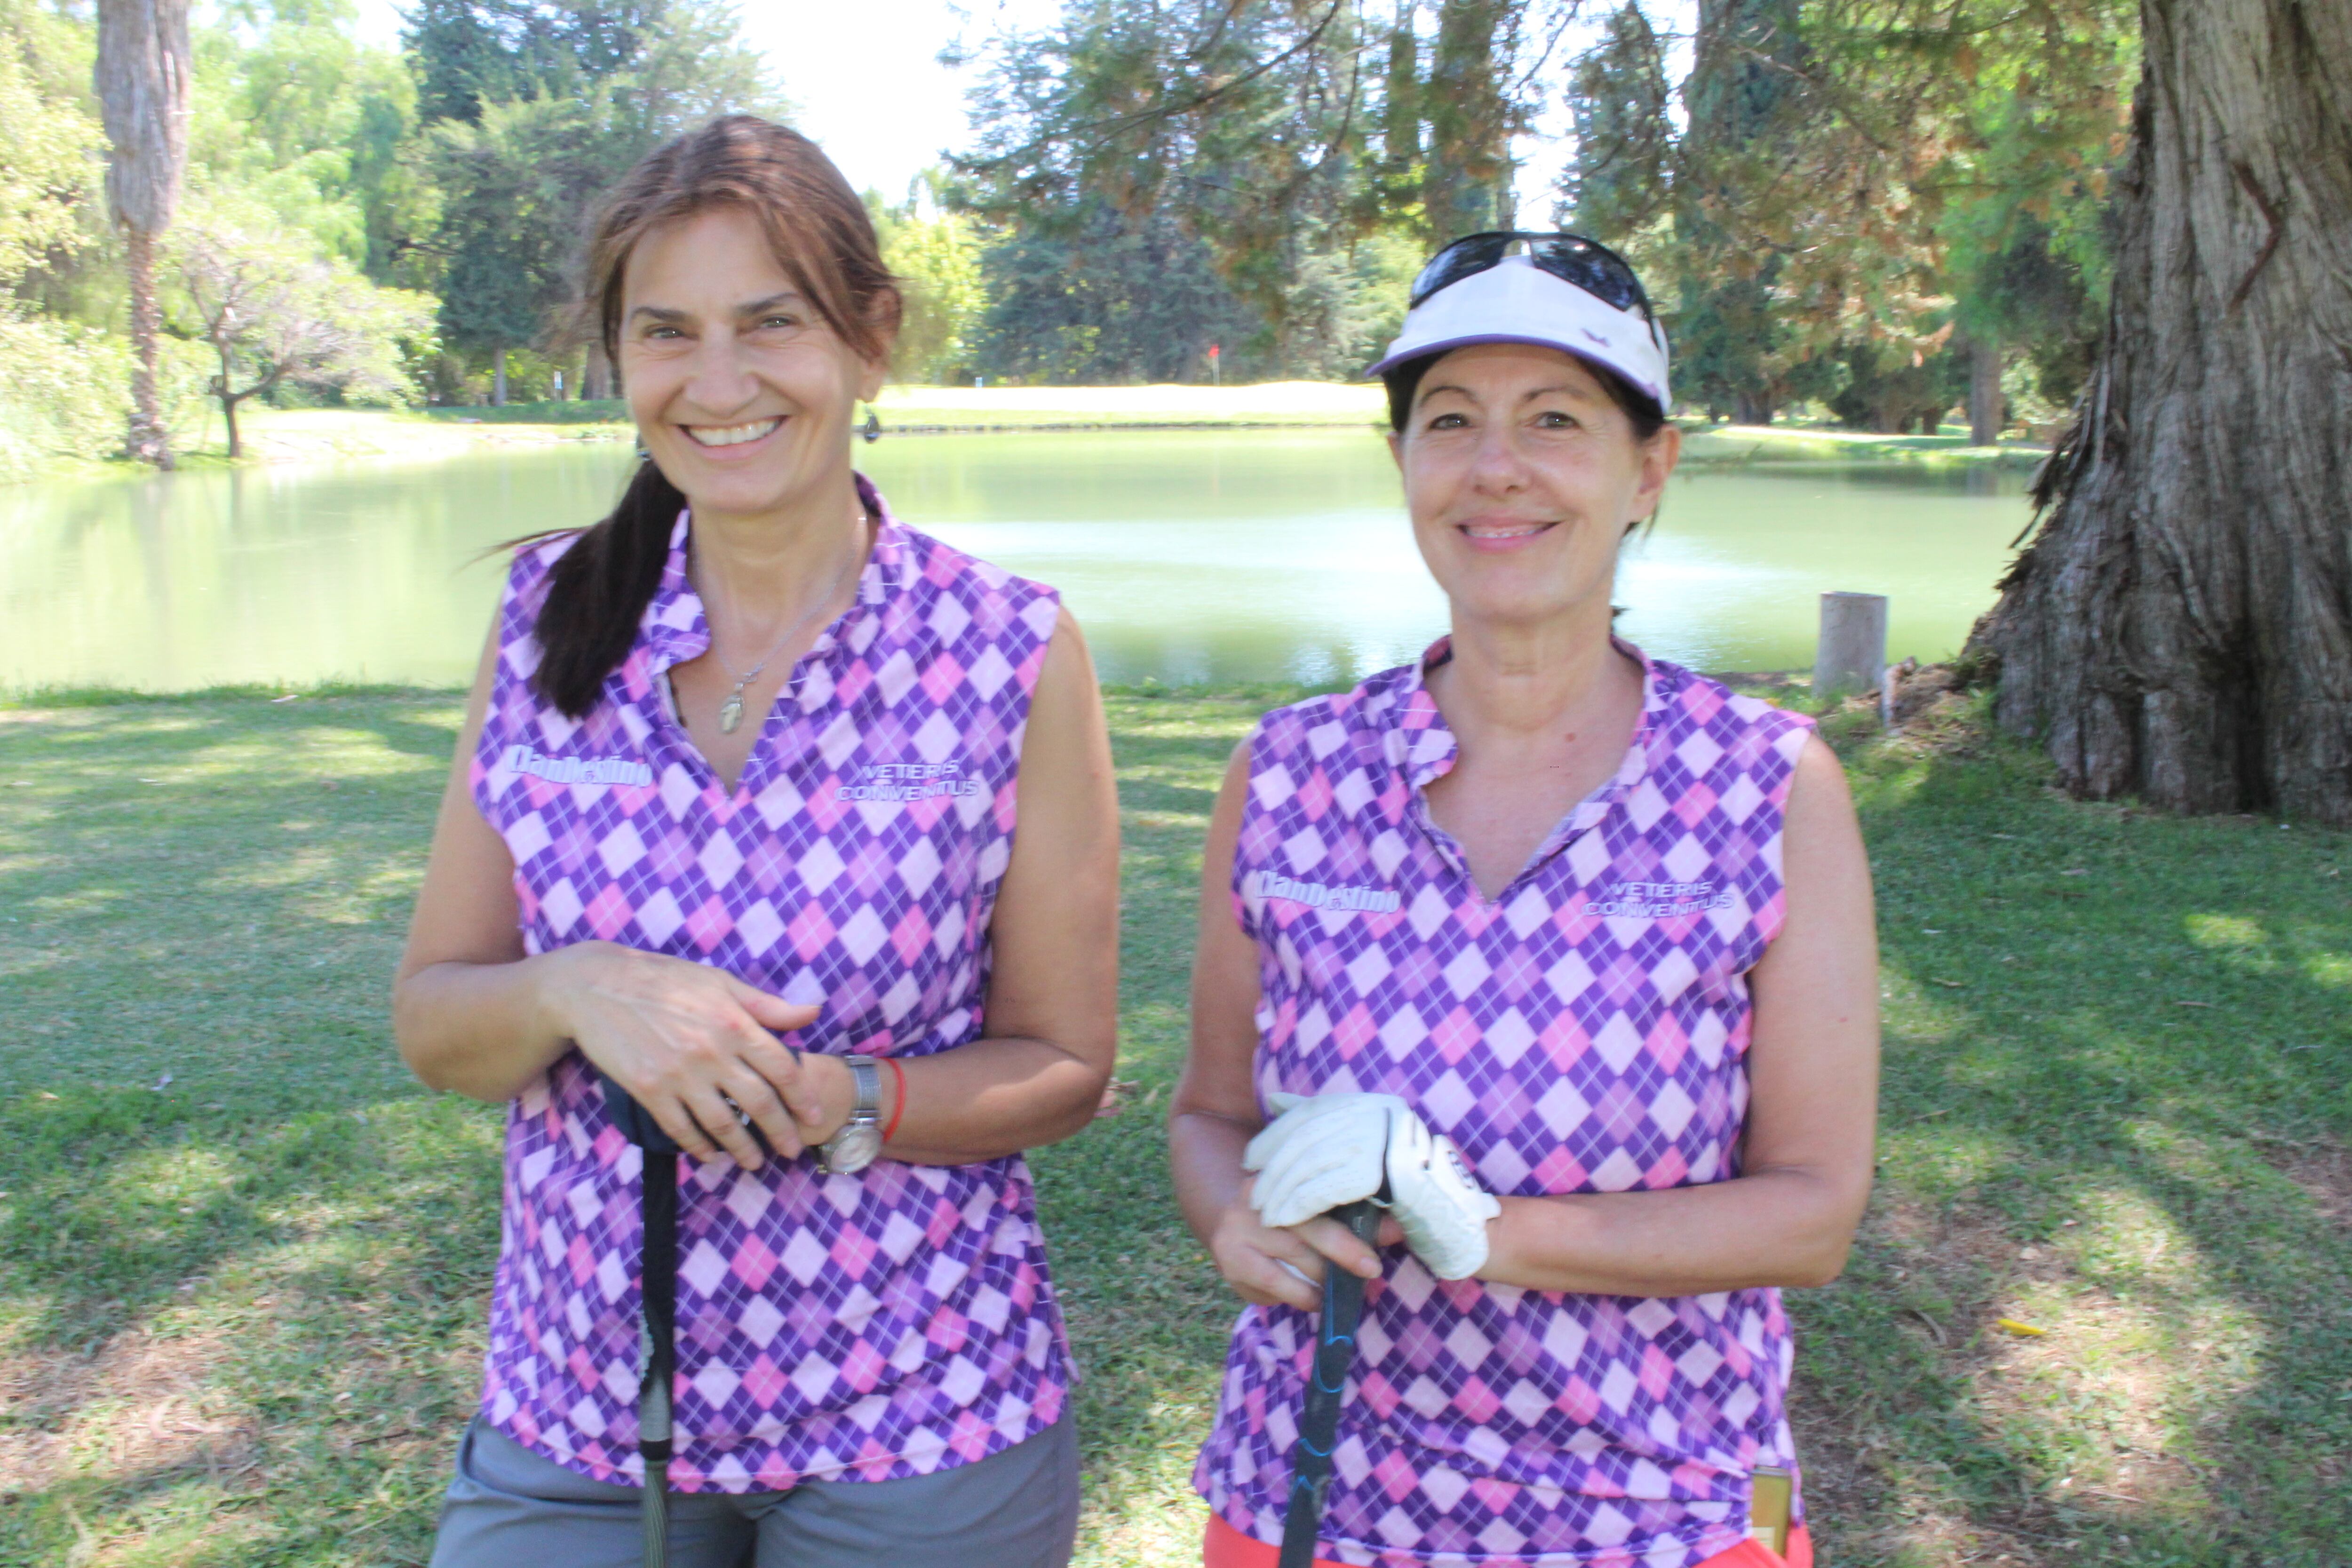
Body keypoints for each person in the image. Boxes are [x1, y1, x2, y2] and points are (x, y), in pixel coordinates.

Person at [392, 116, 1119, 1568]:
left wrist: (834, 1097)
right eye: (667, 333)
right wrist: (571, 988)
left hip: (921, 1422)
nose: (716, 386)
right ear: (621, 361)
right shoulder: (547, 622)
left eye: (770, 324)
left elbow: (1063, 1068)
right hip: (581, 1418)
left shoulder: (1007, 646)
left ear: (870, 337)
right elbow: (434, 1020)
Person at [1169, 233, 1880, 1568]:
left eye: (1555, 420)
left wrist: (1486, 1233)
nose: (1497, 467)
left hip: (1669, 1510)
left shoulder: (1769, 784)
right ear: (1405, 466)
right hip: (1315, 1498)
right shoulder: (1286, 772)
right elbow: (1211, 1115)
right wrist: (1230, 1214)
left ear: (1647, 471)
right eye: (1451, 422)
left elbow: (1813, 1211)